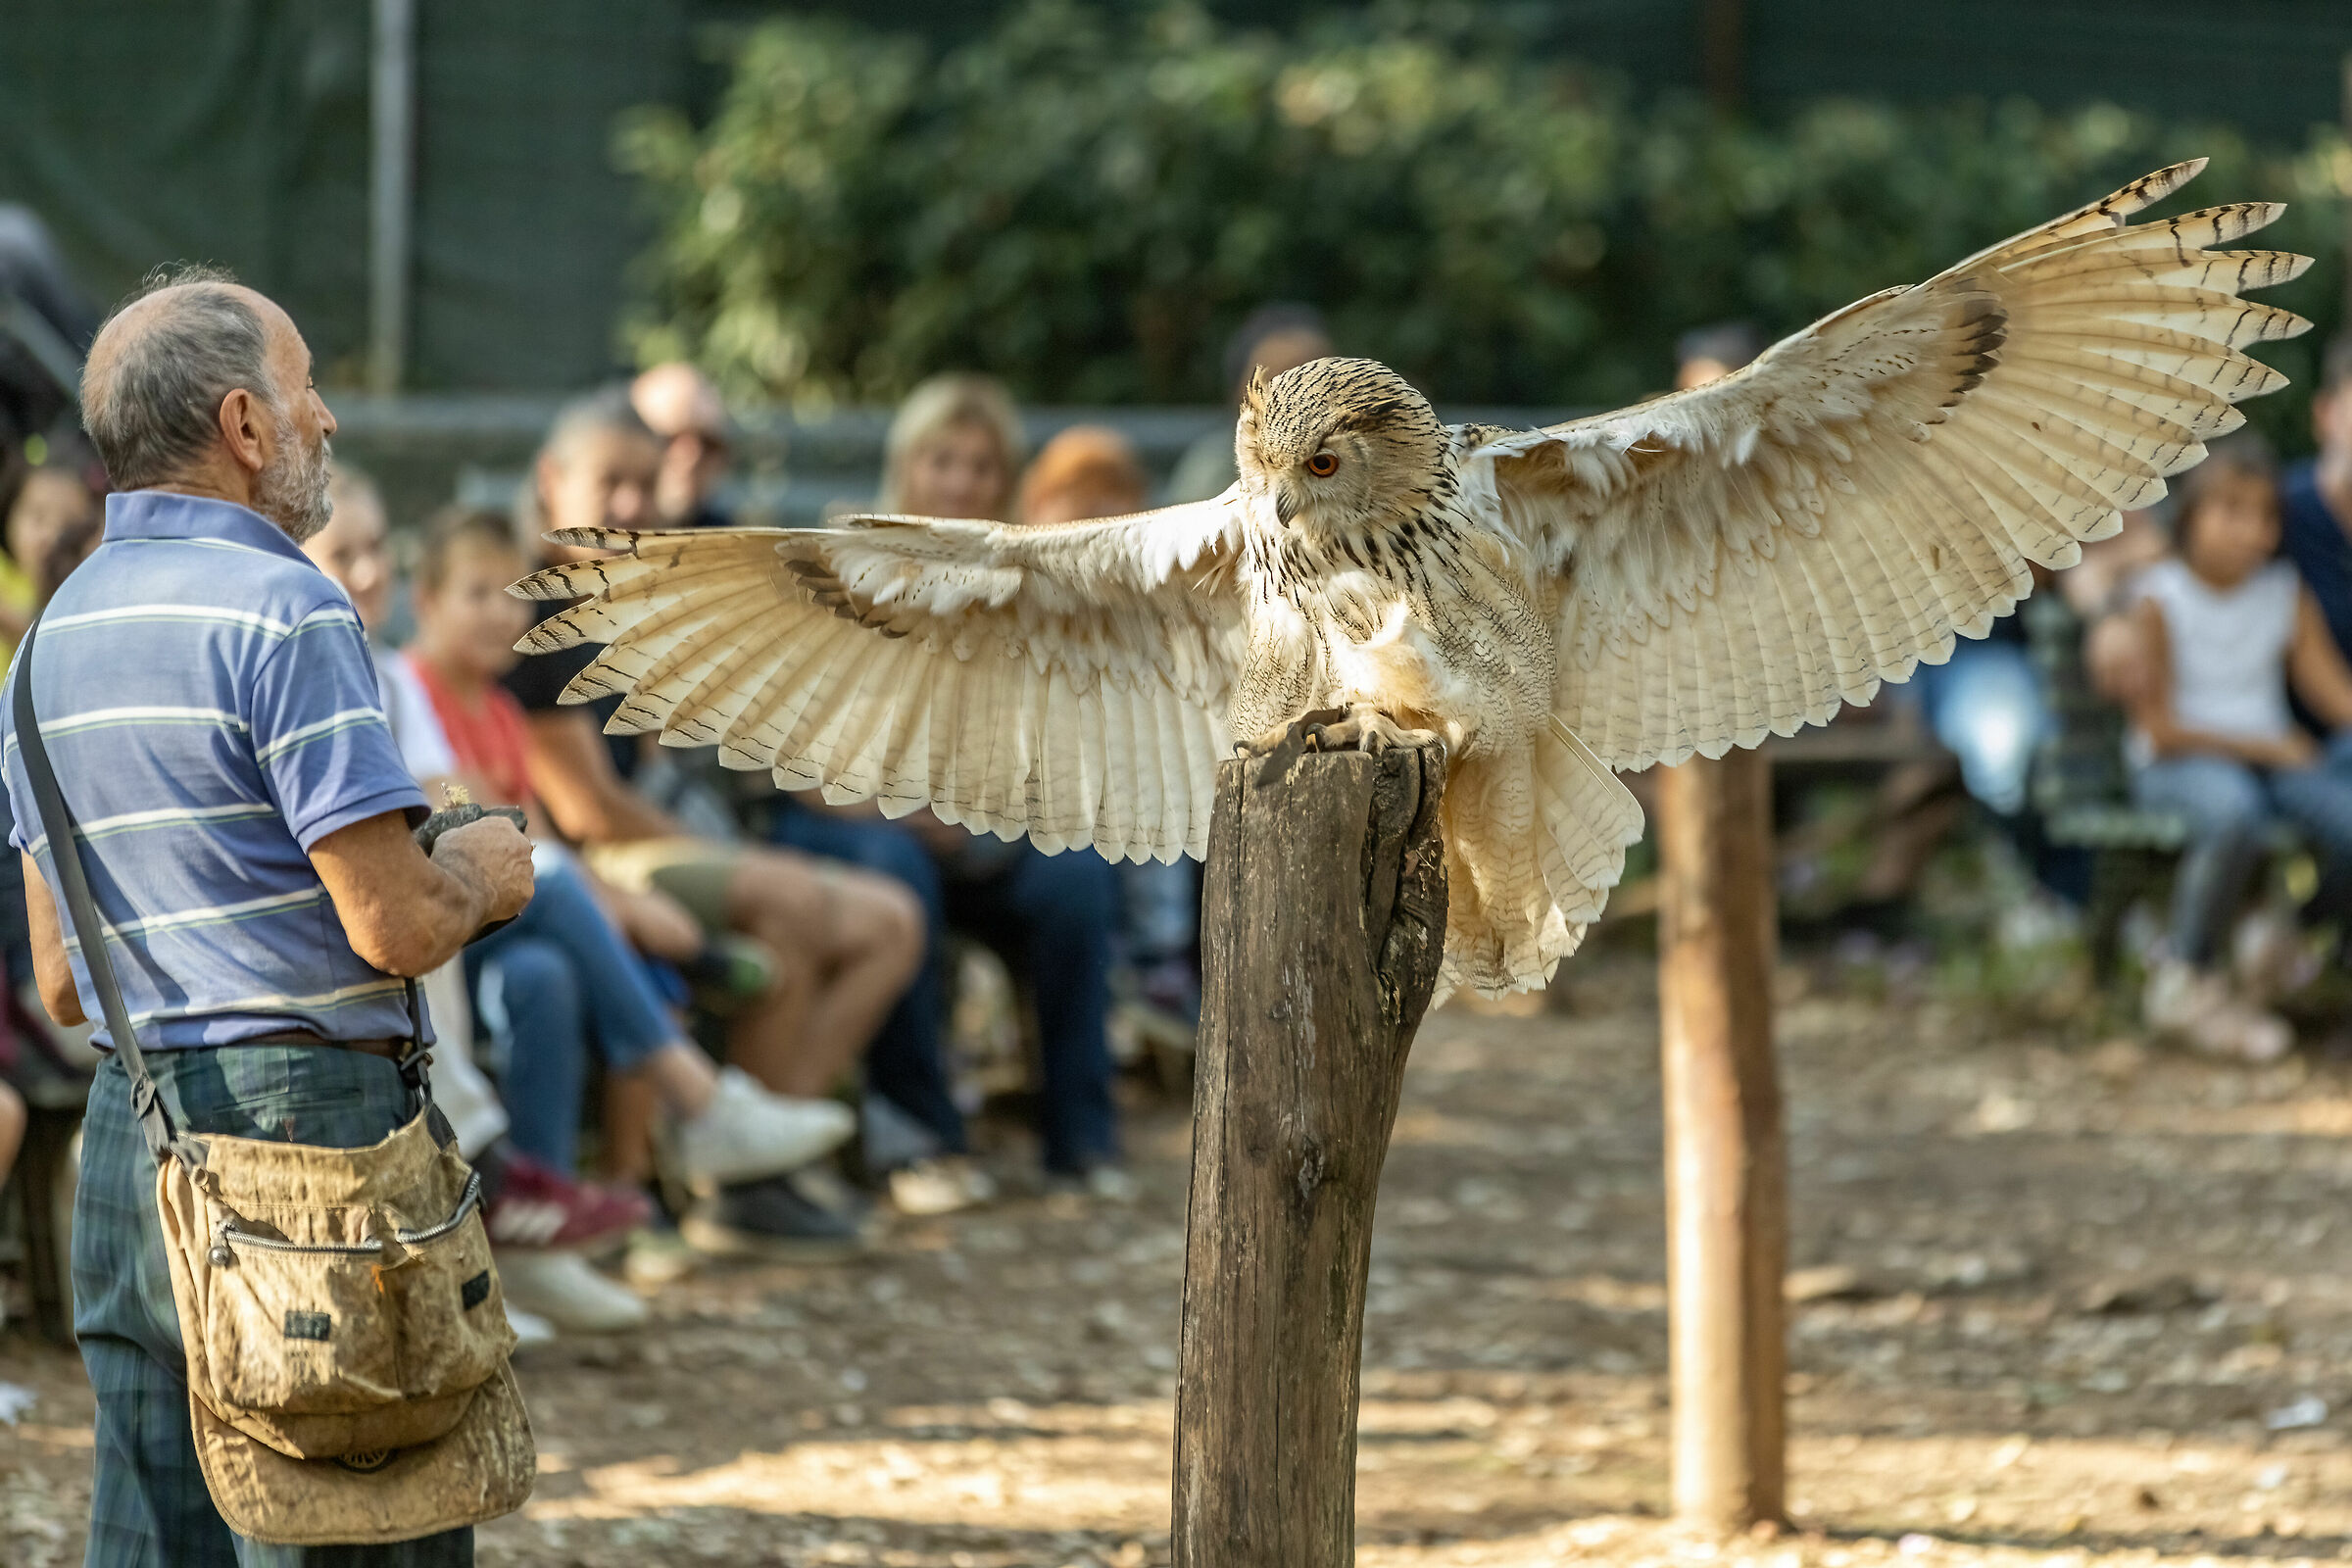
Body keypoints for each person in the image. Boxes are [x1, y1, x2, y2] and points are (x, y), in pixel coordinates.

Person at [4, 265, 536, 1562]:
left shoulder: (47, 640)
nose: (330, 424)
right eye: (308, 394)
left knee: (155, 1538)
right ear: (244, 427)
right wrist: (484, 870)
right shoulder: (289, 608)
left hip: (136, 1156)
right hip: (318, 1147)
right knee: (361, 1526)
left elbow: (64, 987)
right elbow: (397, 928)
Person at [507, 389, 924, 1251]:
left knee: (894, 923)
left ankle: (765, 1168)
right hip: (593, 865)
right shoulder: (539, 609)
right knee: (795, 903)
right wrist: (730, 857)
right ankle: (741, 1174)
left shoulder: (638, 601)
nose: (629, 504)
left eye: (644, 485)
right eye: (608, 482)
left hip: (657, 844)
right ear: (552, 482)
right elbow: (589, 809)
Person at [405, 505, 861, 1277]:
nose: (500, 614)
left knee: (545, 977)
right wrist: (616, 903)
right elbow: (479, 831)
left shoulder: (506, 712)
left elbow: (533, 836)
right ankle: (701, 1105)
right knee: (580, 910)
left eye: (512, 595)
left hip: (512, 932)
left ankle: (542, 1245)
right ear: (426, 603)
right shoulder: (416, 691)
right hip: (455, 927)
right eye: (475, 594)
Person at [773, 376, 1128, 1202]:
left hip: (974, 831)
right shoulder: (840, 576)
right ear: (906, 466)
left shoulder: (1019, 589)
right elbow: (789, 758)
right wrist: (895, 807)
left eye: (981, 465)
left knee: (1076, 876)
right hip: (839, 821)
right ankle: (918, 1136)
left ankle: (1082, 1136)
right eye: (944, 461)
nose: (962, 482)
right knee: (897, 875)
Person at [2125, 433, 2352, 1060]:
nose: (2252, 531)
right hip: (2179, 764)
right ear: (2190, 514)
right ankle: (2188, 978)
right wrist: (2265, 746)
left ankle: (2285, 936)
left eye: (2265, 515)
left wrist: (2279, 750)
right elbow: (2161, 728)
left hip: (2271, 763)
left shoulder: (2283, 592)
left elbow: (2336, 697)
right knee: (2233, 815)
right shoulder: (2158, 596)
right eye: (2231, 510)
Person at [1166, 304, 1332, 504]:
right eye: (1276, 381)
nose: (1302, 398)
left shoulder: (1366, 461)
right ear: (1239, 394)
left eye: (1319, 380)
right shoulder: (1213, 470)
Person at [631, 361, 735, 528]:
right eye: (670, 439)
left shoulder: (732, 546)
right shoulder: (590, 545)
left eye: (708, 445)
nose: (693, 456)